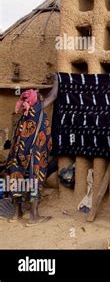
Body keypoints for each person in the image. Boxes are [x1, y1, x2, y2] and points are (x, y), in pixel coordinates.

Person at [6, 74, 58, 226]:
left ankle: (17, 213)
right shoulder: (37, 110)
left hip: (17, 154)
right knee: (35, 181)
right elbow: (53, 95)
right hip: (34, 154)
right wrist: (56, 79)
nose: (41, 96)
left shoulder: (24, 114)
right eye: (38, 95)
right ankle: (34, 217)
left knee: (16, 180)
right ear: (35, 100)